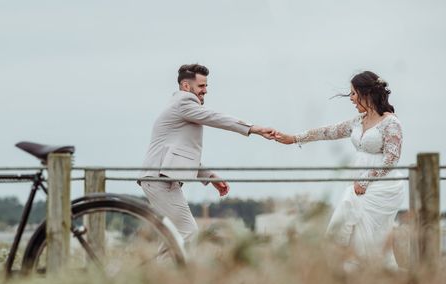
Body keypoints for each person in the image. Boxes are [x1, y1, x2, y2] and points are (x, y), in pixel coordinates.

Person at [275, 71, 404, 268]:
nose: (351, 98)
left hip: (381, 186)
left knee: (360, 226)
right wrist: (293, 138)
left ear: (365, 93)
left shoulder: (391, 122)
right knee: (354, 230)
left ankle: (355, 268)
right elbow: (327, 132)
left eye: (353, 93)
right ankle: (352, 272)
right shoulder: (357, 121)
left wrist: (365, 180)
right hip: (359, 185)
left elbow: (392, 158)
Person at [140, 63, 276, 246]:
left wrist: (209, 176)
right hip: (159, 180)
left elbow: (178, 156)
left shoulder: (179, 107)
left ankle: (158, 273)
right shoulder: (184, 102)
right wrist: (252, 128)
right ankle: (162, 273)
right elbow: (215, 118)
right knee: (188, 232)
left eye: (206, 85)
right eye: (202, 86)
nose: (206, 90)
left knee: (175, 236)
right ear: (186, 86)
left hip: (160, 179)